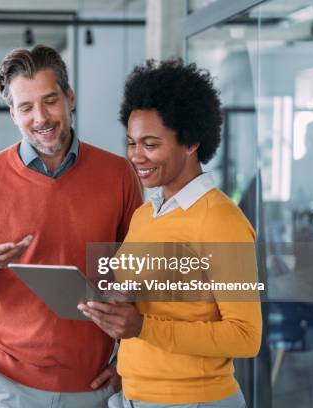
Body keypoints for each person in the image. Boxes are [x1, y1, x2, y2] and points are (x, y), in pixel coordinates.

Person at [0, 45, 143, 407]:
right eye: (26, 107)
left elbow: (139, 278)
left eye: (50, 100)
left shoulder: (118, 175)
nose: (41, 117)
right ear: (13, 114)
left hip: (91, 384)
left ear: (69, 98)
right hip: (3, 381)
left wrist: (128, 359)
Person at [79, 59, 262, 407]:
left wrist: (143, 328)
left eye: (150, 143)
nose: (137, 156)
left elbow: (245, 336)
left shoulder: (221, 220)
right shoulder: (145, 214)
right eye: (132, 143)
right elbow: (146, 306)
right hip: (134, 396)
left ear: (191, 141)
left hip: (193, 400)